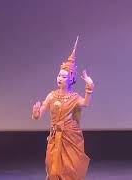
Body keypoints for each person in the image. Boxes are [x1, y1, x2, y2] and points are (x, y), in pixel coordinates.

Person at [31, 36, 94, 180]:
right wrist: (35, 113)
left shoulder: (74, 97)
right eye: (59, 75)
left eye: (64, 76)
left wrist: (89, 87)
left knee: (69, 167)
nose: (60, 78)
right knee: (51, 165)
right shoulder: (51, 95)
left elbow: (84, 103)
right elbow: (39, 114)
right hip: (55, 137)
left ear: (71, 79)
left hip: (69, 136)